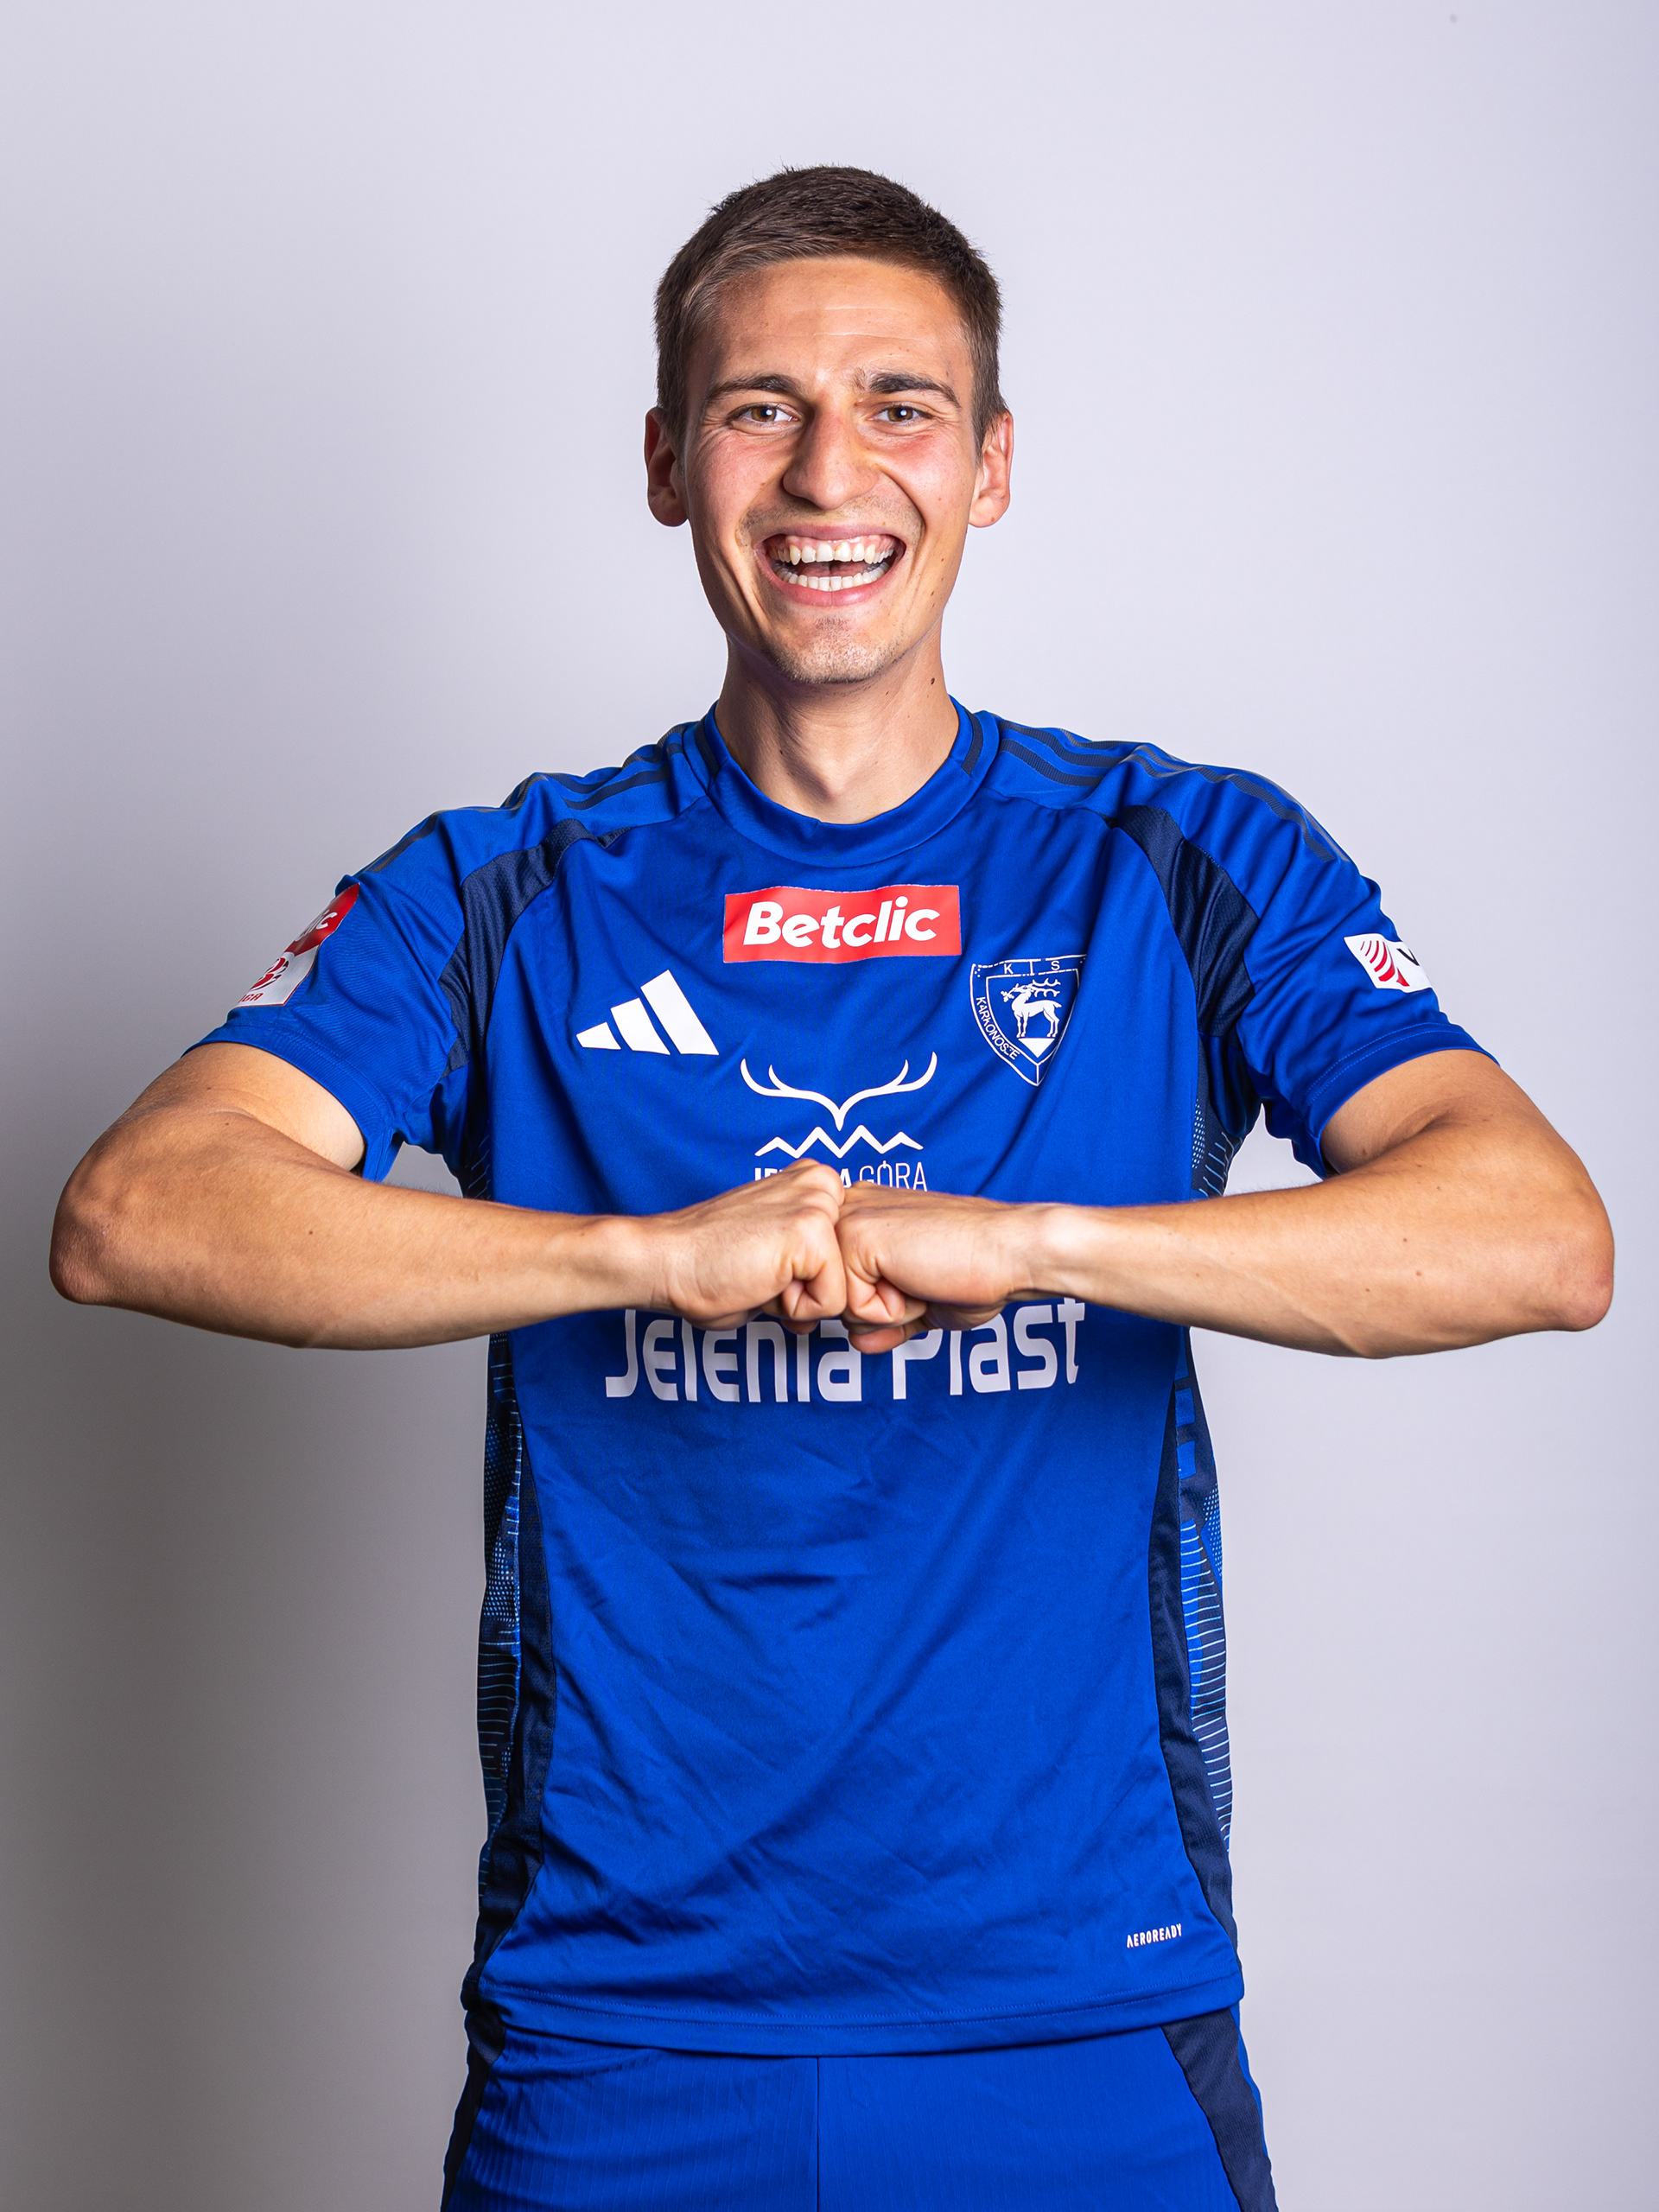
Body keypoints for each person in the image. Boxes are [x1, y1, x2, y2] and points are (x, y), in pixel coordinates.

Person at [50, 167, 1612, 2211]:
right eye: (758, 407)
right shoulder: (506, 886)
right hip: (618, 2028)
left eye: (899, 404)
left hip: (1082, 2018)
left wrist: (1038, 1242)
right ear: (667, 462)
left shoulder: (1178, 856)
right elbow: (138, 1208)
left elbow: (1536, 1231)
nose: (826, 471)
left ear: (990, 464)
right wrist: (637, 1254)